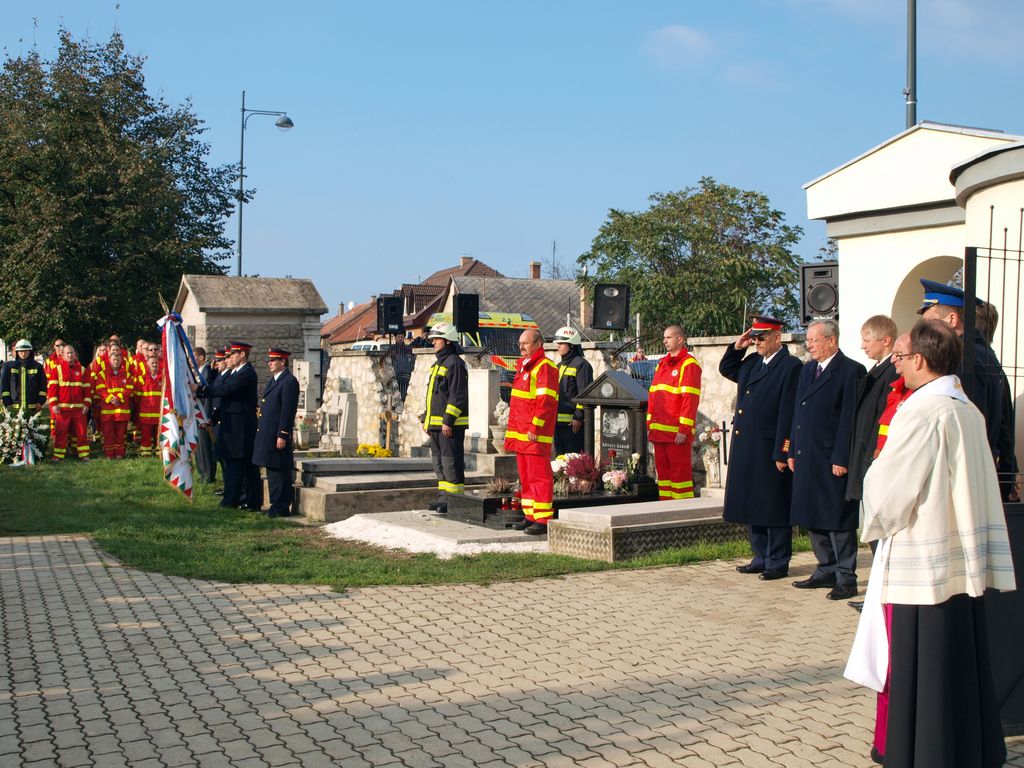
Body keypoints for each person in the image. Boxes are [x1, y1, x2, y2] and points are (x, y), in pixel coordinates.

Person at [850, 319, 1015, 767]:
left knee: (921, 666)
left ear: (919, 360)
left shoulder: (921, 411)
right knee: (961, 662)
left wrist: (872, 515)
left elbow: (889, 490)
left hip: (922, 565)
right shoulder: (966, 408)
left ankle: (922, 750)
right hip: (962, 561)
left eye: (902, 359)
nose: (898, 368)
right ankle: (969, 749)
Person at [788, 318, 866, 601]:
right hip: (807, 455)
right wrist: (792, 448)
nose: (809, 345)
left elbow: (849, 419)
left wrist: (841, 457)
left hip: (831, 457)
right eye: (808, 340)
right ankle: (826, 568)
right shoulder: (808, 370)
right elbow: (798, 412)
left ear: (832, 340)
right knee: (813, 514)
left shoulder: (851, 371)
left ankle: (846, 576)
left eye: (814, 340)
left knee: (837, 518)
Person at [719, 316, 801, 580]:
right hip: (747, 445)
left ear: (778, 337)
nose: (757, 343)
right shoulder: (752, 362)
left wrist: (783, 450)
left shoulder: (789, 366)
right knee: (752, 502)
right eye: (754, 338)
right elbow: (727, 368)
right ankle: (760, 555)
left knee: (773, 505)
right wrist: (738, 345)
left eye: (761, 338)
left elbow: (788, 412)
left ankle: (777, 560)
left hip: (769, 446)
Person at [845, 315, 899, 521]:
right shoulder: (877, 371)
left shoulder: (892, 372)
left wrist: (876, 450)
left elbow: (885, 418)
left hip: (874, 453)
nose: (862, 346)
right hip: (864, 451)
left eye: (867, 341)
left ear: (885, 340)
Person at [505, 329, 559, 535]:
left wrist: (535, 426)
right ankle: (530, 516)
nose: (521, 347)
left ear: (538, 344)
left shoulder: (545, 367)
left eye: (525, 343)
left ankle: (543, 519)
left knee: (539, 476)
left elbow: (545, 401)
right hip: (522, 431)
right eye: (520, 343)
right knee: (526, 476)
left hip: (535, 432)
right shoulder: (525, 367)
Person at [196, 341, 260, 509]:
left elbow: (226, 390)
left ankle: (240, 500)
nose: (229, 357)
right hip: (231, 424)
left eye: (233, 354)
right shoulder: (234, 373)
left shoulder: (246, 373)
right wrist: (213, 418)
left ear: (242, 354)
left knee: (240, 465)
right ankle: (234, 498)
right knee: (233, 464)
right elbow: (225, 401)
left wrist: (200, 390)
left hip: (241, 426)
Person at [647, 325, 702, 500]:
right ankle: (665, 507)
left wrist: (684, 429)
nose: (664, 341)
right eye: (664, 338)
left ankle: (682, 512)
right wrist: (650, 426)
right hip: (659, 432)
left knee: (680, 476)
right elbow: (653, 397)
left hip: (676, 433)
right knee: (663, 476)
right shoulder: (661, 364)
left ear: (680, 339)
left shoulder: (689, 364)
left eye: (668, 337)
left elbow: (690, 399)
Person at [422, 322, 468, 515]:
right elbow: (434, 395)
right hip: (435, 425)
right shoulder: (438, 364)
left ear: (448, 341)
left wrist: (448, 420)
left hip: (449, 425)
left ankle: (455, 501)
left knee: (451, 463)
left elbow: (457, 395)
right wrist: (426, 419)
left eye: (437, 339)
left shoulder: (455, 363)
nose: (433, 342)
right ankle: (443, 497)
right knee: (439, 462)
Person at [252, 348, 300, 517]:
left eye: (274, 360)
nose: (270, 363)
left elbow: (287, 410)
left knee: (280, 471)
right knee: (272, 470)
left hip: (277, 434)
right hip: (268, 433)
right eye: (270, 360)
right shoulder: (273, 381)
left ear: (283, 362)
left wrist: (283, 434)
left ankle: (281, 506)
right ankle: (275, 504)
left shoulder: (289, 381)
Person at [552, 326, 593, 456]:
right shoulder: (559, 366)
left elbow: (584, 393)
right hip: (558, 425)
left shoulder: (582, 365)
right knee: (559, 462)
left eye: (562, 343)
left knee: (573, 463)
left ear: (572, 345)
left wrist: (578, 417)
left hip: (573, 425)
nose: (558, 346)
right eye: (558, 343)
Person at [47, 344, 92, 461]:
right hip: (63, 409)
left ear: (75, 354)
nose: (70, 355)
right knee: (61, 433)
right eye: (67, 353)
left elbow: (87, 390)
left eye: (71, 353)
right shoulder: (56, 370)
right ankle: (58, 456)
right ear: (62, 355)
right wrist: (54, 405)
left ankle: (84, 455)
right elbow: (52, 389)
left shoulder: (82, 370)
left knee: (82, 433)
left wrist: (87, 404)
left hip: (79, 409)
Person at [92, 343, 132, 459]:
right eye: (114, 359)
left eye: (118, 359)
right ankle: (109, 454)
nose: (116, 362)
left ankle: (120, 454)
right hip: (107, 410)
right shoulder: (102, 374)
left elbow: (129, 389)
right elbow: (100, 389)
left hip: (121, 411)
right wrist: (111, 399)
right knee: (108, 434)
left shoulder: (127, 374)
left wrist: (118, 398)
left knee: (121, 434)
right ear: (109, 359)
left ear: (121, 360)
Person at [1, 339, 47, 413]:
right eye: (21, 351)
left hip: (32, 408)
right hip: (13, 408)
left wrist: (40, 402)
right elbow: (4, 386)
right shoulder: (8, 367)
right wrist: (7, 403)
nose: (23, 353)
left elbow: (43, 386)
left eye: (26, 351)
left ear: (30, 352)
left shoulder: (38, 367)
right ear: (17, 352)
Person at [192, 347, 217, 484]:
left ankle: (208, 475)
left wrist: (206, 416)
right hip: (196, 414)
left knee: (205, 446)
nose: (191, 360)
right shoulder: (197, 373)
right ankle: (202, 473)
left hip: (204, 415)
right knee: (198, 446)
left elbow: (207, 397)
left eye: (193, 357)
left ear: (201, 357)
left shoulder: (206, 372)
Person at [134, 343, 163, 458]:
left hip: (159, 413)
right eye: (152, 363)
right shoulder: (142, 378)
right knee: (146, 436)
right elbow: (137, 396)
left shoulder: (163, 378)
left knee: (158, 435)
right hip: (146, 412)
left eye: (156, 363)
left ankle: (159, 454)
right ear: (147, 364)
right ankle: (145, 454)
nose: (155, 365)